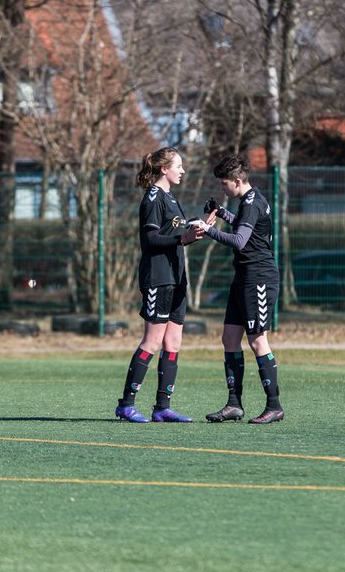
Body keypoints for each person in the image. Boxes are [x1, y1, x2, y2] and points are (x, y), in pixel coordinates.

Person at [191, 154, 284, 424]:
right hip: (243, 277)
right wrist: (220, 212)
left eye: (224, 184)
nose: (222, 188)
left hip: (259, 279)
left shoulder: (253, 203)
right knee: (230, 339)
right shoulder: (247, 201)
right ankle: (234, 404)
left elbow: (240, 241)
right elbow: (246, 229)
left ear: (237, 181)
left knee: (257, 340)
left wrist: (206, 229)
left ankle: (274, 405)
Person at [114, 147, 204, 423]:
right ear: (164, 169)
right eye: (178, 165)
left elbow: (174, 230)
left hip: (177, 277)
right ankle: (126, 404)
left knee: (173, 341)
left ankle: (162, 407)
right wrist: (184, 239)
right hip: (158, 277)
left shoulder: (171, 198)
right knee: (152, 341)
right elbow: (152, 239)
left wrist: (197, 225)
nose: (183, 170)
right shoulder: (153, 197)